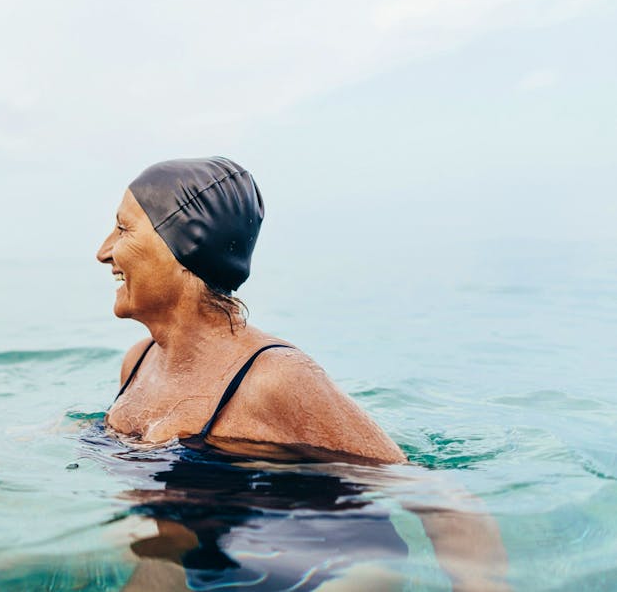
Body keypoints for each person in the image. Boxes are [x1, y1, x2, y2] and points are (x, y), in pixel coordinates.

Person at [95, 157, 510, 591]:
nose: (104, 251)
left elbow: (435, 496)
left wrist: (482, 584)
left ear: (184, 245)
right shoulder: (139, 361)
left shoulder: (273, 379)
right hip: (207, 550)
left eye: (123, 230)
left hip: (330, 566)